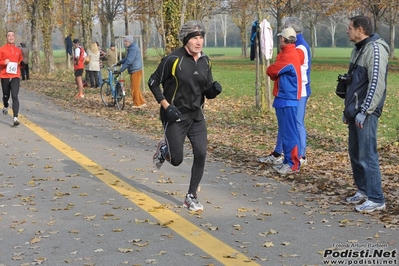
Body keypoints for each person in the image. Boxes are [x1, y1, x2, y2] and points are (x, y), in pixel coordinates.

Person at [148, 20, 222, 212]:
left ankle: (191, 196)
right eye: (195, 38)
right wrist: (166, 106)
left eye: (201, 38)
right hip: (175, 116)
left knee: (201, 153)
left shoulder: (206, 61)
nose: (199, 42)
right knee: (177, 159)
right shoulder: (173, 60)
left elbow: (206, 89)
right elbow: (153, 82)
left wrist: (213, 91)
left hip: (196, 116)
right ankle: (164, 149)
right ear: (186, 40)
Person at [343, 15, 388, 213]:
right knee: (355, 152)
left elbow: (376, 83)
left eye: (350, 28)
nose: (347, 31)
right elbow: (353, 83)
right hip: (355, 111)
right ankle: (363, 190)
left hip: (366, 113)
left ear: (360, 30)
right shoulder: (358, 49)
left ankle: (376, 198)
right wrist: (348, 110)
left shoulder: (376, 49)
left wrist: (365, 111)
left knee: (367, 154)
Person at [259, 17, 311, 166]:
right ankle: (279, 152)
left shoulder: (299, 48)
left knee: (295, 124)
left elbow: (285, 66)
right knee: (286, 125)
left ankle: (299, 156)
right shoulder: (297, 46)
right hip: (292, 90)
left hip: (296, 91)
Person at [266, 27, 301, 175]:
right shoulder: (286, 53)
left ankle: (292, 163)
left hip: (288, 98)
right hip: (283, 97)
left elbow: (271, 71)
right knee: (286, 132)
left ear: (283, 39)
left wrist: (274, 73)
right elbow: (274, 72)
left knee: (289, 132)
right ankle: (287, 160)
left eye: (280, 37)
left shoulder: (289, 55)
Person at [0, 30, 23, 126]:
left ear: (14, 37)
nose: (11, 37)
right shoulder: (2, 49)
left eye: (12, 35)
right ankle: (5, 105)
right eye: (9, 36)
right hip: (4, 75)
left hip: (15, 76)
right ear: (6, 38)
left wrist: (22, 64)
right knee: (6, 95)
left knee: (15, 96)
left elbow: (20, 62)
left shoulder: (18, 50)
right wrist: (3, 62)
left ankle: (15, 118)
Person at [117, 36, 146, 108]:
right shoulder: (132, 48)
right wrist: (120, 62)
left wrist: (121, 70)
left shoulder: (133, 49)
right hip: (136, 69)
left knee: (134, 88)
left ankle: (137, 104)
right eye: (124, 41)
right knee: (136, 87)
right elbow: (127, 58)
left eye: (126, 41)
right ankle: (141, 102)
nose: (124, 43)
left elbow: (129, 61)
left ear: (130, 42)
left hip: (135, 70)